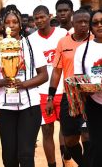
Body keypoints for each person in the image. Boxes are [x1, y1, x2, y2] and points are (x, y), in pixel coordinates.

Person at [0, 5, 48, 166]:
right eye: (7, 22)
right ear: (2, 26)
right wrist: (3, 82)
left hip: (30, 106)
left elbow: (43, 75)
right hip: (6, 108)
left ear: (20, 25)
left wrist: (23, 84)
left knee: (26, 155)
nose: (11, 25)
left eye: (15, 22)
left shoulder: (32, 46)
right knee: (9, 158)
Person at [47, 9, 93, 167]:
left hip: (91, 96)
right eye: (79, 22)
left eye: (86, 22)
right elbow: (56, 71)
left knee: (87, 135)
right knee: (70, 140)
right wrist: (50, 98)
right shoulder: (63, 42)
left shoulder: (95, 41)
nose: (83, 25)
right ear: (72, 24)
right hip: (70, 96)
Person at [28, 5, 68, 167]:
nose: (39, 20)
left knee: (66, 129)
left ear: (50, 16)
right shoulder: (30, 40)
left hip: (64, 90)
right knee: (46, 131)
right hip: (42, 92)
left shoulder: (62, 34)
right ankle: (52, 164)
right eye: (36, 18)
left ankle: (67, 160)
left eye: (42, 17)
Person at [74, 9, 102, 167]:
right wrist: (89, 88)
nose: (99, 25)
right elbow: (78, 80)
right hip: (94, 103)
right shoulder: (83, 50)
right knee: (98, 147)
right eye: (95, 23)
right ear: (91, 27)